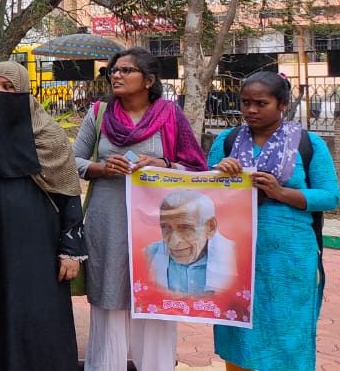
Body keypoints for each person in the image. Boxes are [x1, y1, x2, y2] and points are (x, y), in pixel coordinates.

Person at [72, 47, 207, 371]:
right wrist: (103, 168)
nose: (116, 75)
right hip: (109, 218)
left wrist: (161, 164)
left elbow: (196, 167)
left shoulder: (170, 115)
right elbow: (72, 162)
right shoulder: (99, 113)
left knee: (156, 295)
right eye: (113, 70)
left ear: (149, 80)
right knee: (110, 298)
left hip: (158, 222)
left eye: (126, 70)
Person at [0, 60, 84, 370]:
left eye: (8, 87)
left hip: (37, 247)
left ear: (25, 91)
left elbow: (68, 195)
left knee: (37, 314)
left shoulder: (49, 137)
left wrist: (71, 251)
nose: (0, 93)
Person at [209, 71, 338, 371]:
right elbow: (204, 193)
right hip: (235, 255)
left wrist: (280, 192)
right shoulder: (227, 141)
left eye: (260, 103)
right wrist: (220, 173)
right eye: (245, 103)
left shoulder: (309, 143)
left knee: (288, 329)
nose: (251, 110)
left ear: (282, 104)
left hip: (289, 258)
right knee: (239, 328)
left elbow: (330, 196)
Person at [143, 191, 234, 296]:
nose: (174, 242)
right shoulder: (147, 256)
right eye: (166, 227)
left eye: (185, 227)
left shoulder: (237, 259)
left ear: (210, 227)